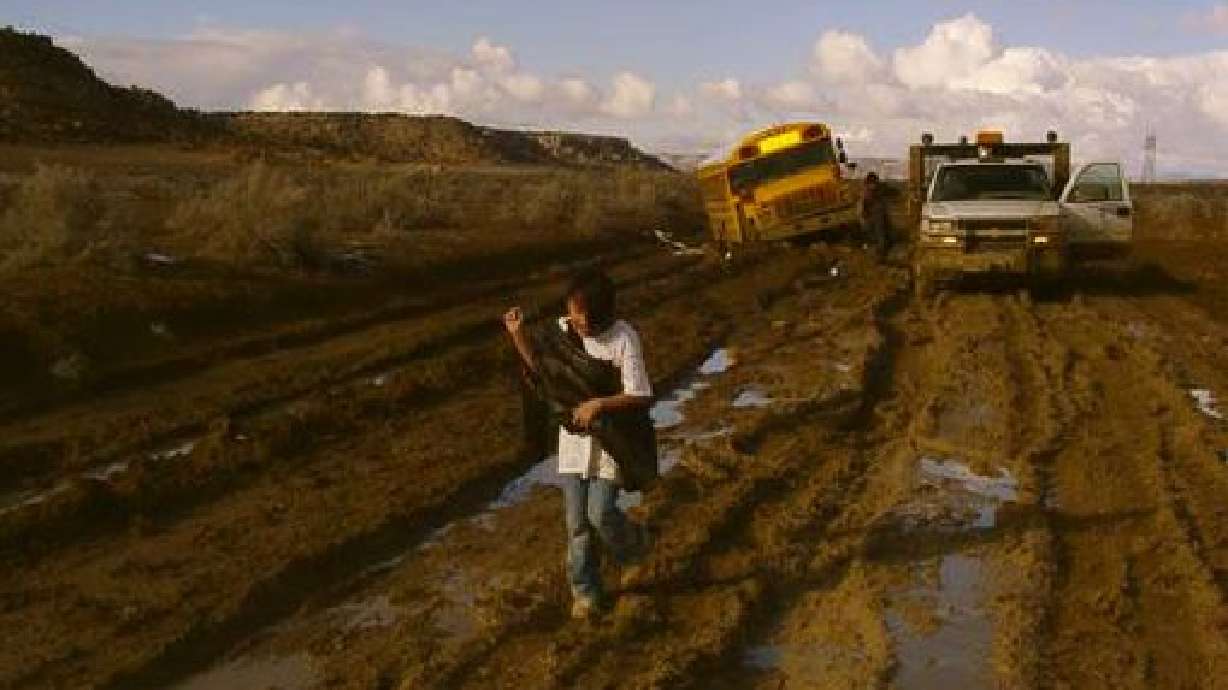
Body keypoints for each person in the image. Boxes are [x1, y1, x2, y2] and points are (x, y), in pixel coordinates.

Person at [502, 269, 654, 620]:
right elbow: (541, 370)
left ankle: (634, 547)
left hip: (613, 441)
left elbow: (639, 392)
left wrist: (599, 404)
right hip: (574, 443)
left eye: (584, 314)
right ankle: (586, 593)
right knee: (577, 524)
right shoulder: (560, 333)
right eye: (573, 311)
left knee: (599, 514)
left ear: (602, 312)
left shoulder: (623, 338)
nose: (577, 320)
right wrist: (518, 335)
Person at [861, 172, 892, 264]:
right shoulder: (868, 193)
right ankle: (879, 256)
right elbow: (865, 206)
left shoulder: (877, 192)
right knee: (876, 237)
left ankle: (881, 256)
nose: (872, 185)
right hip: (874, 217)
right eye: (871, 183)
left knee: (880, 237)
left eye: (873, 183)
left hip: (879, 217)